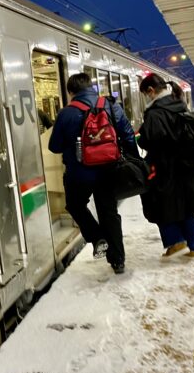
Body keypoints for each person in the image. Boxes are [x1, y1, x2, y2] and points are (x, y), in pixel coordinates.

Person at [48, 73, 139, 274]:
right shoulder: (112, 106)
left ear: (70, 92)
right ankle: (118, 261)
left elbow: (54, 147)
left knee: (75, 205)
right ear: (92, 86)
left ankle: (97, 238)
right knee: (109, 212)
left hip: (79, 174)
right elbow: (128, 136)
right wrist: (135, 161)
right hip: (109, 171)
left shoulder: (66, 113)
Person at [138, 73, 194, 257]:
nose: (147, 98)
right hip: (187, 166)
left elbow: (152, 140)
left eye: (146, 94)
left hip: (165, 167)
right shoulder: (180, 104)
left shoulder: (155, 112)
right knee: (186, 205)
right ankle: (193, 246)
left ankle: (175, 241)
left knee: (160, 205)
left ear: (151, 90)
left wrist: (142, 141)